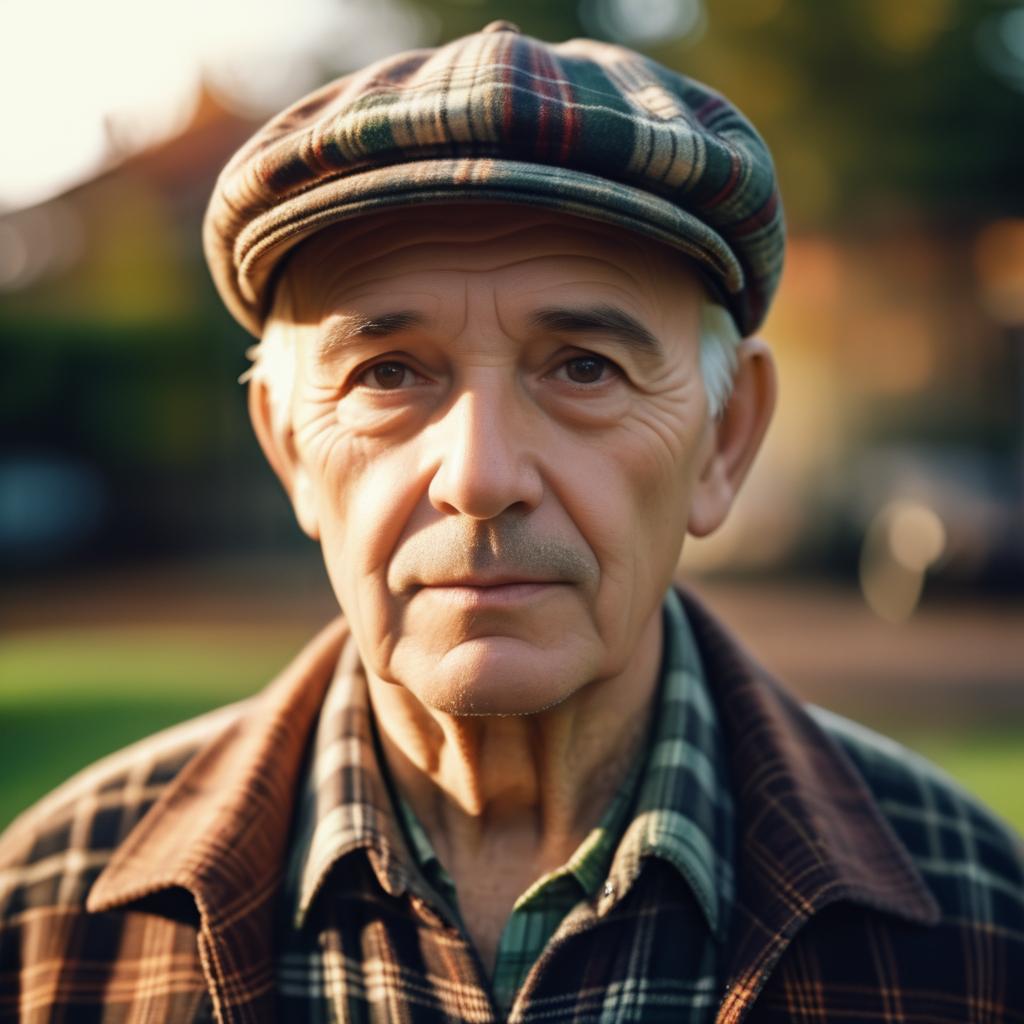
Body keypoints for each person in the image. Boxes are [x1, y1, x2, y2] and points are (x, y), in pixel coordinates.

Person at [1, 20, 1022, 1024]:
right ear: (288, 450)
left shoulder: (984, 922)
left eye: (584, 368)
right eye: (387, 373)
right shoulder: (43, 917)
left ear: (724, 440)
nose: (480, 477)